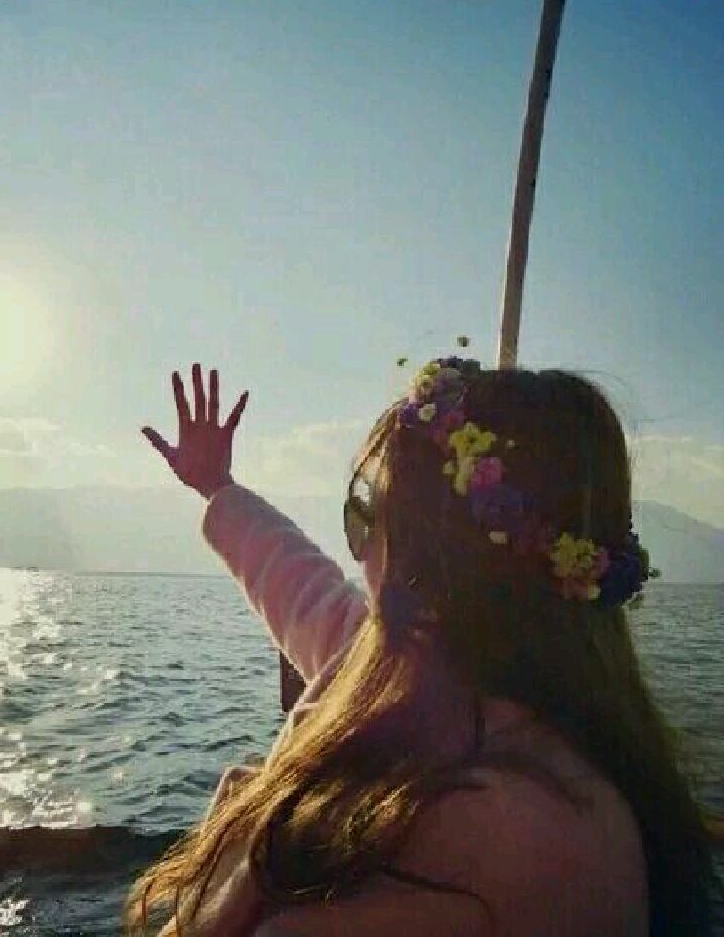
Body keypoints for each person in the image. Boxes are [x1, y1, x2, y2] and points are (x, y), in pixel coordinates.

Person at [130, 359, 717, 936]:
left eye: (366, 517)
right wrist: (218, 487)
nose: (360, 551)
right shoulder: (509, 726)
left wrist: (246, 839)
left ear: (426, 557)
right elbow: (301, 586)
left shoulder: (483, 836)